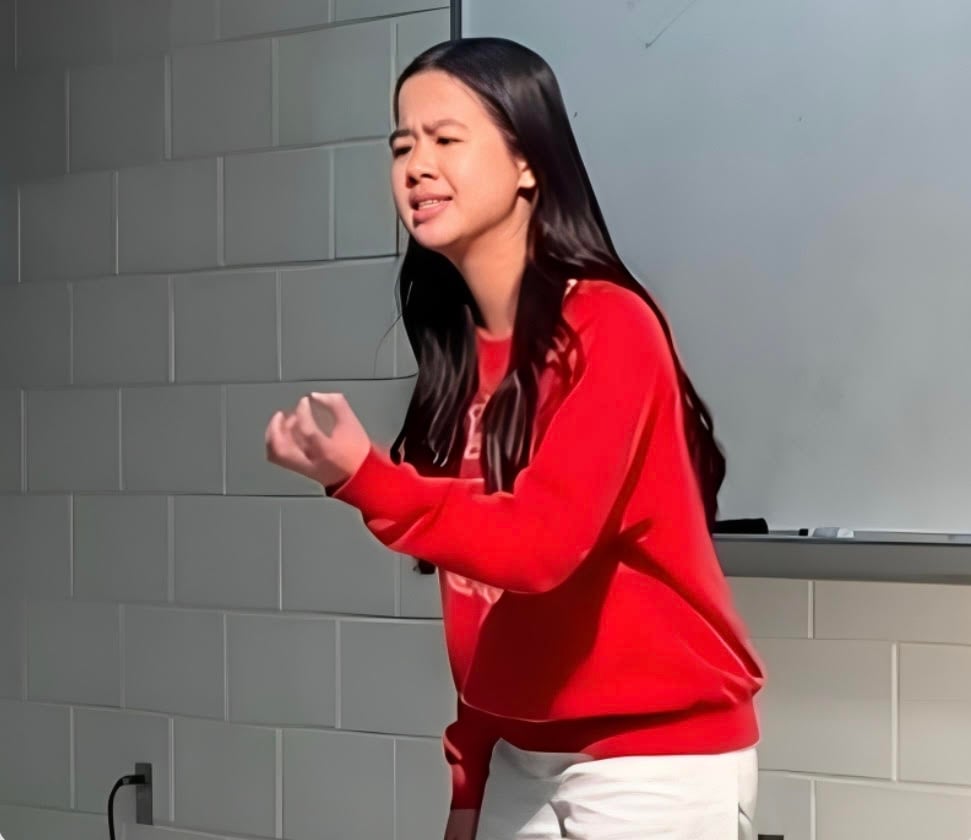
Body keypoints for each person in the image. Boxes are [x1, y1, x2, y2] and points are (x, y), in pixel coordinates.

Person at [265, 37, 765, 840]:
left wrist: (363, 476)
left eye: (445, 139)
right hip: (519, 761)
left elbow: (538, 547)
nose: (415, 166)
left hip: (654, 762)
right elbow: (480, 610)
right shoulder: (457, 361)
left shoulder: (610, 326)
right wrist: (469, 780)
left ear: (527, 162)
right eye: (402, 145)